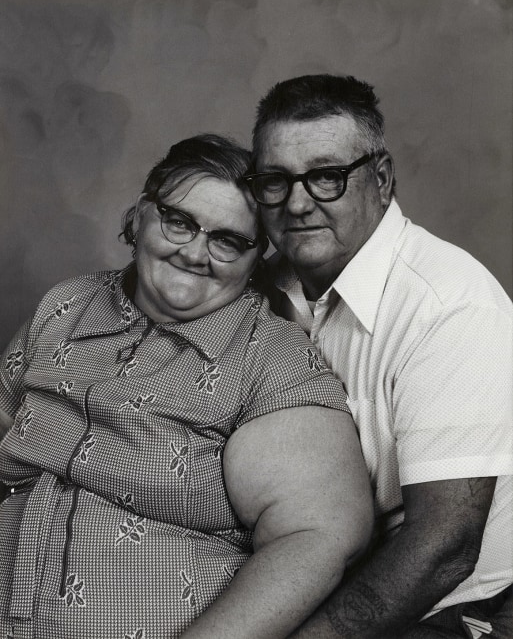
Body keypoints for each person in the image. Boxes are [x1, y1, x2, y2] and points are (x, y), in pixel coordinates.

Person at [0, 133, 373, 639]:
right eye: (179, 221)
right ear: (139, 216)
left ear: (256, 255)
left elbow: (315, 538)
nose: (197, 253)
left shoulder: (272, 360)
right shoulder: (66, 304)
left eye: (228, 240)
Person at [242, 75, 513, 638]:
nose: (296, 203)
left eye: (326, 177)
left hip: (457, 605)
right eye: (275, 180)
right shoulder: (258, 287)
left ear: (381, 179)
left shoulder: (447, 306)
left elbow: (445, 548)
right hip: (315, 571)